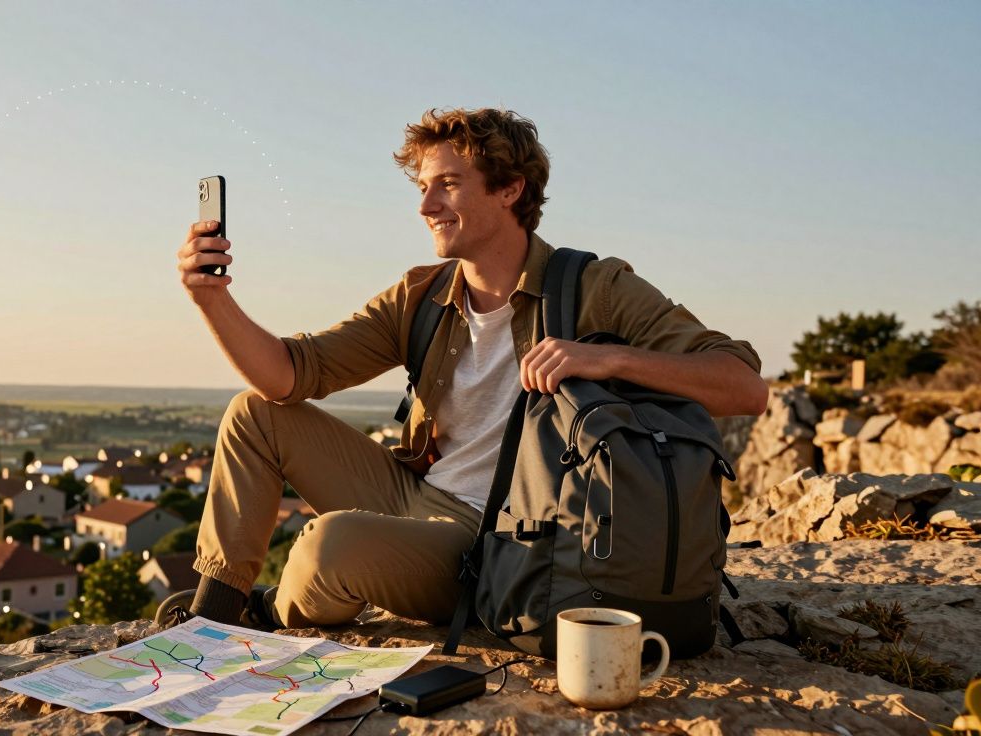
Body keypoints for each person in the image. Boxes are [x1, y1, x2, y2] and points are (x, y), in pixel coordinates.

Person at [170, 107, 768, 631]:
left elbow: (743, 385)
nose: (427, 206)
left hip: (502, 545)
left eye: (448, 186)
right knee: (253, 414)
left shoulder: (595, 288)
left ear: (509, 188)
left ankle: (271, 612)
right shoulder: (422, 295)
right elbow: (288, 375)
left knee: (328, 547)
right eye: (424, 187)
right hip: (415, 492)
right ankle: (211, 619)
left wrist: (605, 357)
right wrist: (211, 300)